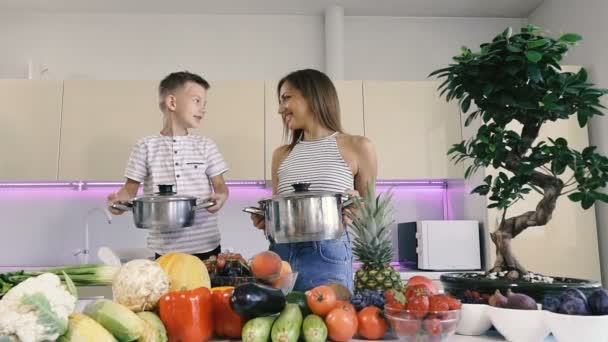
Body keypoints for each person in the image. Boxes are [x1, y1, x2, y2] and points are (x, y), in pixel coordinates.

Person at [251, 69, 378, 291]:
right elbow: (280, 211)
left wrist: (357, 207)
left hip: (329, 252)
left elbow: (370, 215)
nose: (280, 109)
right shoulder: (281, 155)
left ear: (312, 96)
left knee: (332, 322)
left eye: (286, 98)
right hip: (281, 253)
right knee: (279, 322)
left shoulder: (358, 146)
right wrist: (267, 221)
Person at [107, 71, 229, 261]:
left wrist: (220, 197)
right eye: (197, 101)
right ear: (172, 103)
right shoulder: (145, 146)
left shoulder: (206, 145)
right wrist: (117, 203)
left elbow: (221, 187)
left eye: (204, 104)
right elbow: (129, 191)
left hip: (207, 248)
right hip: (164, 251)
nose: (203, 109)